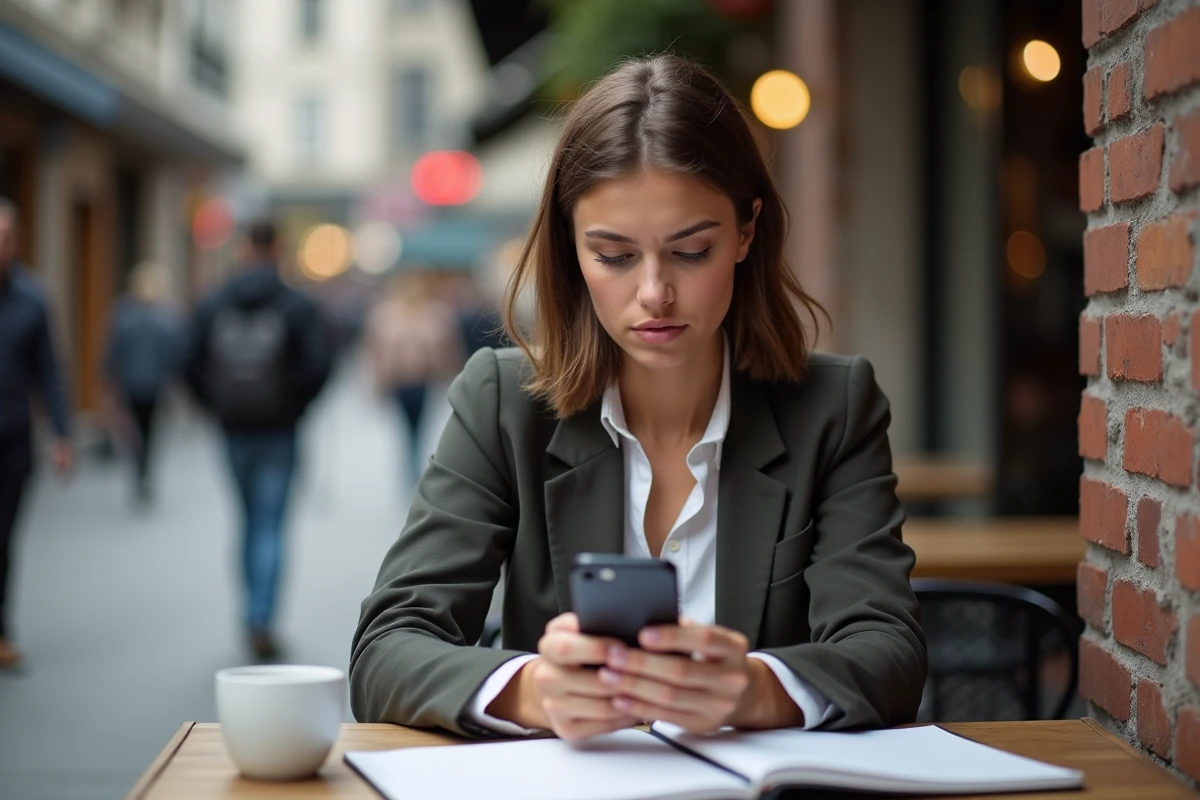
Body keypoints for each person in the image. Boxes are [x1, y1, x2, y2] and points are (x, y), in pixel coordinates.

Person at [350, 55, 926, 740]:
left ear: (745, 232)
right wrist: (532, 691)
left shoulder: (833, 407)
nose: (654, 292)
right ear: (571, 246)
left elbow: (889, 654)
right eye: (615, 256)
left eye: (691, 251)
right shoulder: (502, 405)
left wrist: (752, 689)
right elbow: (385, 647)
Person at [184, 220, 332, 660]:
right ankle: (262, 618)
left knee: (247, 521)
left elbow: (189, 361)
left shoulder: (215, 301)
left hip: (233, 429)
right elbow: (321, 363)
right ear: (278, 248)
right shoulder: (295, 303)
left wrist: (214, 406)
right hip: (280, 430)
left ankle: (250, 613)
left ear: (244, 247)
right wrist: (295, 404)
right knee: (271, 524)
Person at [0, 196, 74, 669]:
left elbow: (49, 370)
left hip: (11, 437)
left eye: (5, 238)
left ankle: (1, 628)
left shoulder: (31, 298)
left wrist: (62, 434)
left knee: (3, 537)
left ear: (17, 241)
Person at [365, 270, 464, 486]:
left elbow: (448, 351)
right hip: (399, 381)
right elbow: (377, 353)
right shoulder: (387, 315)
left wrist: (452, 378)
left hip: (423, 381)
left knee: (418, 426)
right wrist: (378, 383)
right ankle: (410, 463)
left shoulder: (435, 315)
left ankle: (412, 461)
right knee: (407, 427)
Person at [103, 261, 182, 505]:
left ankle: (139, 470)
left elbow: (112, 350)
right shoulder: (165, 317)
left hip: (130, 383)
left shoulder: (123, 313)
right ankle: (144, 470)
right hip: (154, 384)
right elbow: (174, 354)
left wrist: (108, 376)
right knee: (148, 431)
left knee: (134, 430)